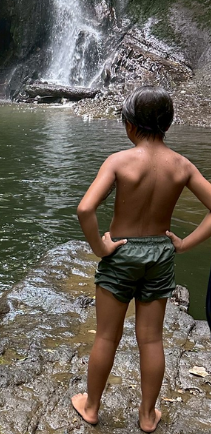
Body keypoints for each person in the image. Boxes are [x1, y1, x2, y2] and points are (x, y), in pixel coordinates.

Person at [72, 86, 211, 433]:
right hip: (160, 255)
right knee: (151, 339)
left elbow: (85, 209)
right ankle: (148, 415)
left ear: (130, 125)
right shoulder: (182, 165)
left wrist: (100, 248)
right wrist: (184, 244)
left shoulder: (119, 161)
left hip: (122, 253)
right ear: (168, 125)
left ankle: (91, 407)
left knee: (107, 336)